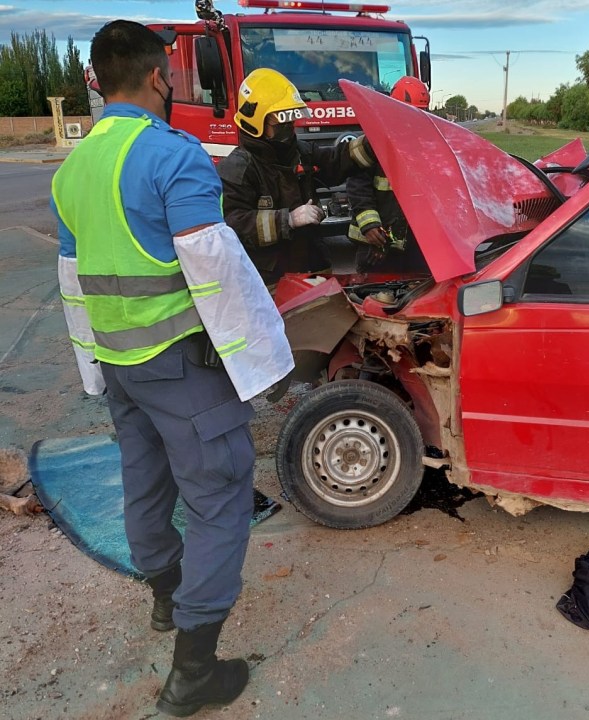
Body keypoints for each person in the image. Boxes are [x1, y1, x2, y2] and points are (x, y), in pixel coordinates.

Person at [50, 20, 293, 717]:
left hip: (120, 364)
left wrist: (94, 368)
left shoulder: (72, 171)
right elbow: (216, 267)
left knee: (146, 478)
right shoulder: (172, 154)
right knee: (219, 498)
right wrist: (263, 359)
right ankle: (193, 673)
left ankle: (165, 597)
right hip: (182, 367)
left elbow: (71, 281)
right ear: (160, 77)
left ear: (99, 81)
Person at [217, 68, 376, 286]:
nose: (289, 128)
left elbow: (336, 161)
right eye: (281, 123)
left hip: (313, 268)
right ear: (255, 122)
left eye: (290, 121)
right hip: (270, 280)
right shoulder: (238, 169)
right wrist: (288, 219)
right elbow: (232, 224)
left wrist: (374, 142)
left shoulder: (299, 151)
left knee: (329, 307)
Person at [346, 75, 429, 274]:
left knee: (419, 289)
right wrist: (370, 226)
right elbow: (357, 185)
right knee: (374, 290)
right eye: (408, 113)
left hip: (414, 245)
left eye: (419, 113)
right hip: (375, 245)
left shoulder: (427, 146)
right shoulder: (374, 142)